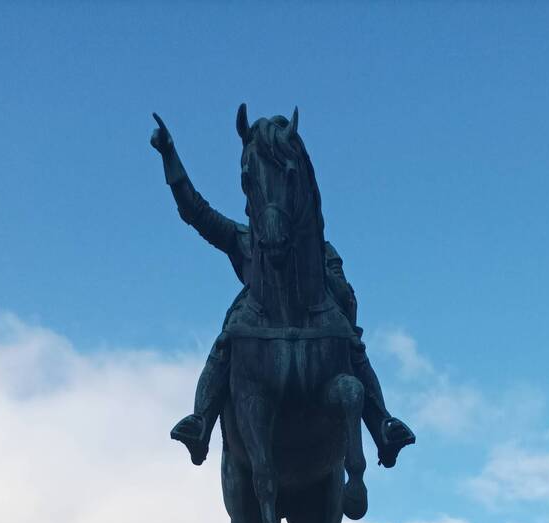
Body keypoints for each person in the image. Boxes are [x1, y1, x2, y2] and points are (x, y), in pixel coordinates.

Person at [150, 112, 415, 470]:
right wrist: (169, 155)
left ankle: (382, 425)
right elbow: (195, 210)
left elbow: (347, 297)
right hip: (256, 315)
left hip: (316, 317)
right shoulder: (243, 238)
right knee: (227, 340)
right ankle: (201, 423)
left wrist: (334, 291)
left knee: (353, 347)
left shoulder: (322, 252)